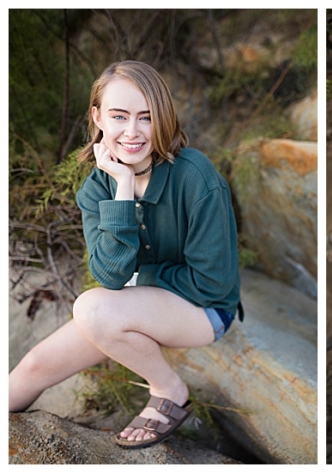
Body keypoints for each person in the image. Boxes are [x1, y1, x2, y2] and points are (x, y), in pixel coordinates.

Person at [8, 60, 242, 449]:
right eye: (119, 116)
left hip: (205, 310)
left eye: (146, 117)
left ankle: (168, 389)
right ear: (98, 117)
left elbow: (212, 283)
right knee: (31, 369)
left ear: (162, 118)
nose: (132, 132)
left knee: (92, 310)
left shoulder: (195, 177)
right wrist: (123, 186)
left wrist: (143, 279)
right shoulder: (97, 188)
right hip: (132, 308)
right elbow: (111, 276)